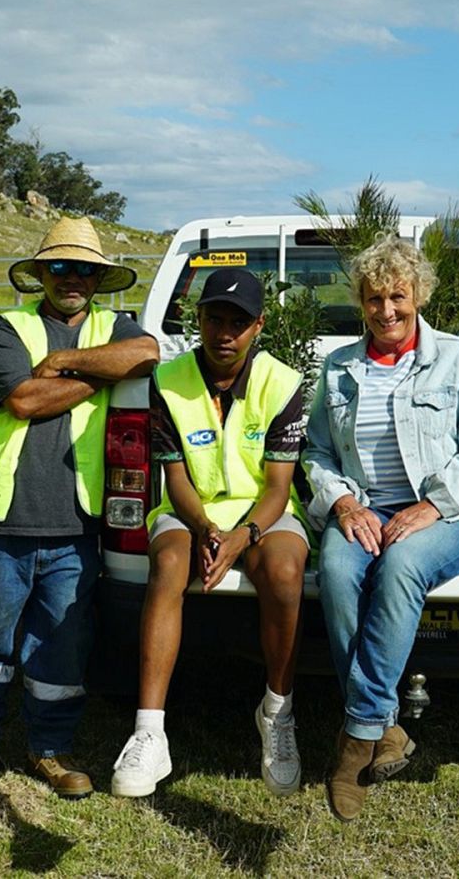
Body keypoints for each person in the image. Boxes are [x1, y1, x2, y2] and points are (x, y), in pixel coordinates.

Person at [0, 217, 159, 800]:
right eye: (59, 267)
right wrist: (100, 375)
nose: (72, 279)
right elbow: (26, 400)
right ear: (40, 274)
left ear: (100, 277)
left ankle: (51, 750)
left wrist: (67, 364)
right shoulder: (7, 330)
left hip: (76, 525)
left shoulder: (120, 326)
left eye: (84, 268)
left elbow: (149, 352)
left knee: (60, 647)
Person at [304, 237, 459, 822]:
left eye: (398, 296)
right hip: (365, 509)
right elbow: (317, 449)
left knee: (400, 568)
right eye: (374, 298)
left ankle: (354, 744)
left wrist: (432, 506)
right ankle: (385, 730)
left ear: (419, 295)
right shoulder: (339, 367)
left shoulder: (457, 357)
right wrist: (343, 504)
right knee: (339, 571)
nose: (386, 310)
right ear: (359, 302)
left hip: (450, 516)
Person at [109, 268, 310, 798]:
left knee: (286, 570)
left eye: (238, 323)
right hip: (192, 508)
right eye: (214, 318)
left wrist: (239, 537)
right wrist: (203, 529)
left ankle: (277, 712)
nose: (225, 333)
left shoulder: (283, 383)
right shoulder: (168, 381)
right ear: (197, 319)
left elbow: (277, 488)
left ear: (259, 326)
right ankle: (149, 731)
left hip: (262, 513)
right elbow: (175, 478)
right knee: (170, 564)